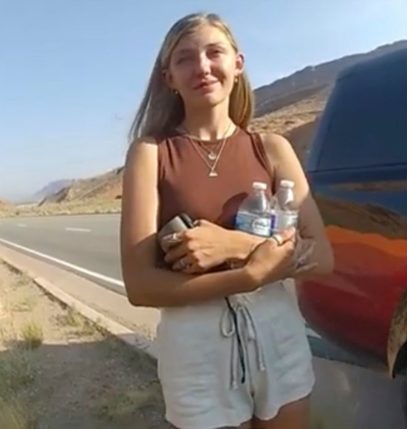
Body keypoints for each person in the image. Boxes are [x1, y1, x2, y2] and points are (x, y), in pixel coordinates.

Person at [119, 12, 334, 429]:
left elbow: (322, 255)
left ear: (237, 63)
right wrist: (248, 275)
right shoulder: (150, 153)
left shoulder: (272, 149)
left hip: (280, 336)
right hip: (196, 349)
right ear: (169, 77)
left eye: (214, 52)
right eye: (184, 58)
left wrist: (236, 247)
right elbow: (140, 286)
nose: (201, 66)